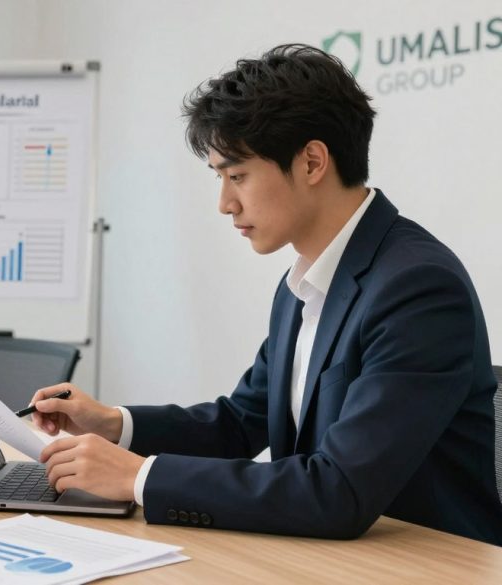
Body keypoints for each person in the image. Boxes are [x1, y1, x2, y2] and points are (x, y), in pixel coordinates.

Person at [32, 44, 502, 544]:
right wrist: (112, 425)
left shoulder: (418, 288)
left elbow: (338, 492)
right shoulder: (304, 282)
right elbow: (239, 424)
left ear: (313, 162)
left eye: (237, 176)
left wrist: (137, 477)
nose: (224, 203)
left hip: (431, 566)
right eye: (220, 178)